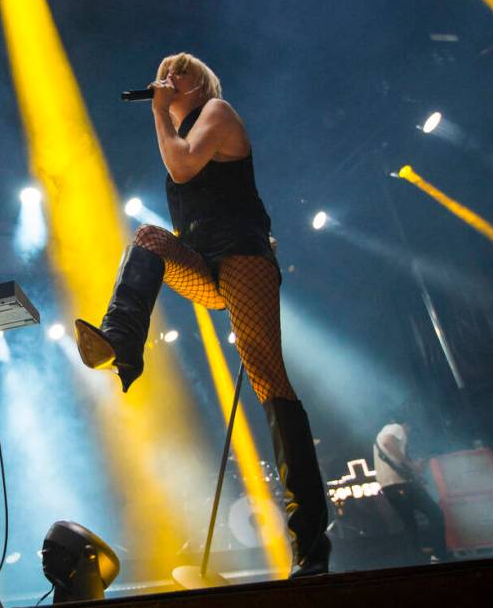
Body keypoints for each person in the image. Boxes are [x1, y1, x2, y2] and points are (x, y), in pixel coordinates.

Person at [74, 52, 330, 577]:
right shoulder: (179, 128)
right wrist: (165, 115)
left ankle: (311, 545)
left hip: (242, 258)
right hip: (204, 262)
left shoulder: (218, 111)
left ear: (203, 81)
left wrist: (157, 112)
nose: (170, 76)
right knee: (147, 237)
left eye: (182, 70)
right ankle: (120, 342)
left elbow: (184, 164)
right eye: (166, 69)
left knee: (267, 376)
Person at [373, 420, 449, 562]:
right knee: (435, 513)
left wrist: (414, 471)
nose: (409, 433)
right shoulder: (396, 428)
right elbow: (388, 442)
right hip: (401, 485)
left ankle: (415, 560)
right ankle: (439, 554)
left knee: (409, 524)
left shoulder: (381, 433)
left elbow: (391, 453)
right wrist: (412, 465)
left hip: (389, 487)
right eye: (411, 429)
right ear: (407, 424)